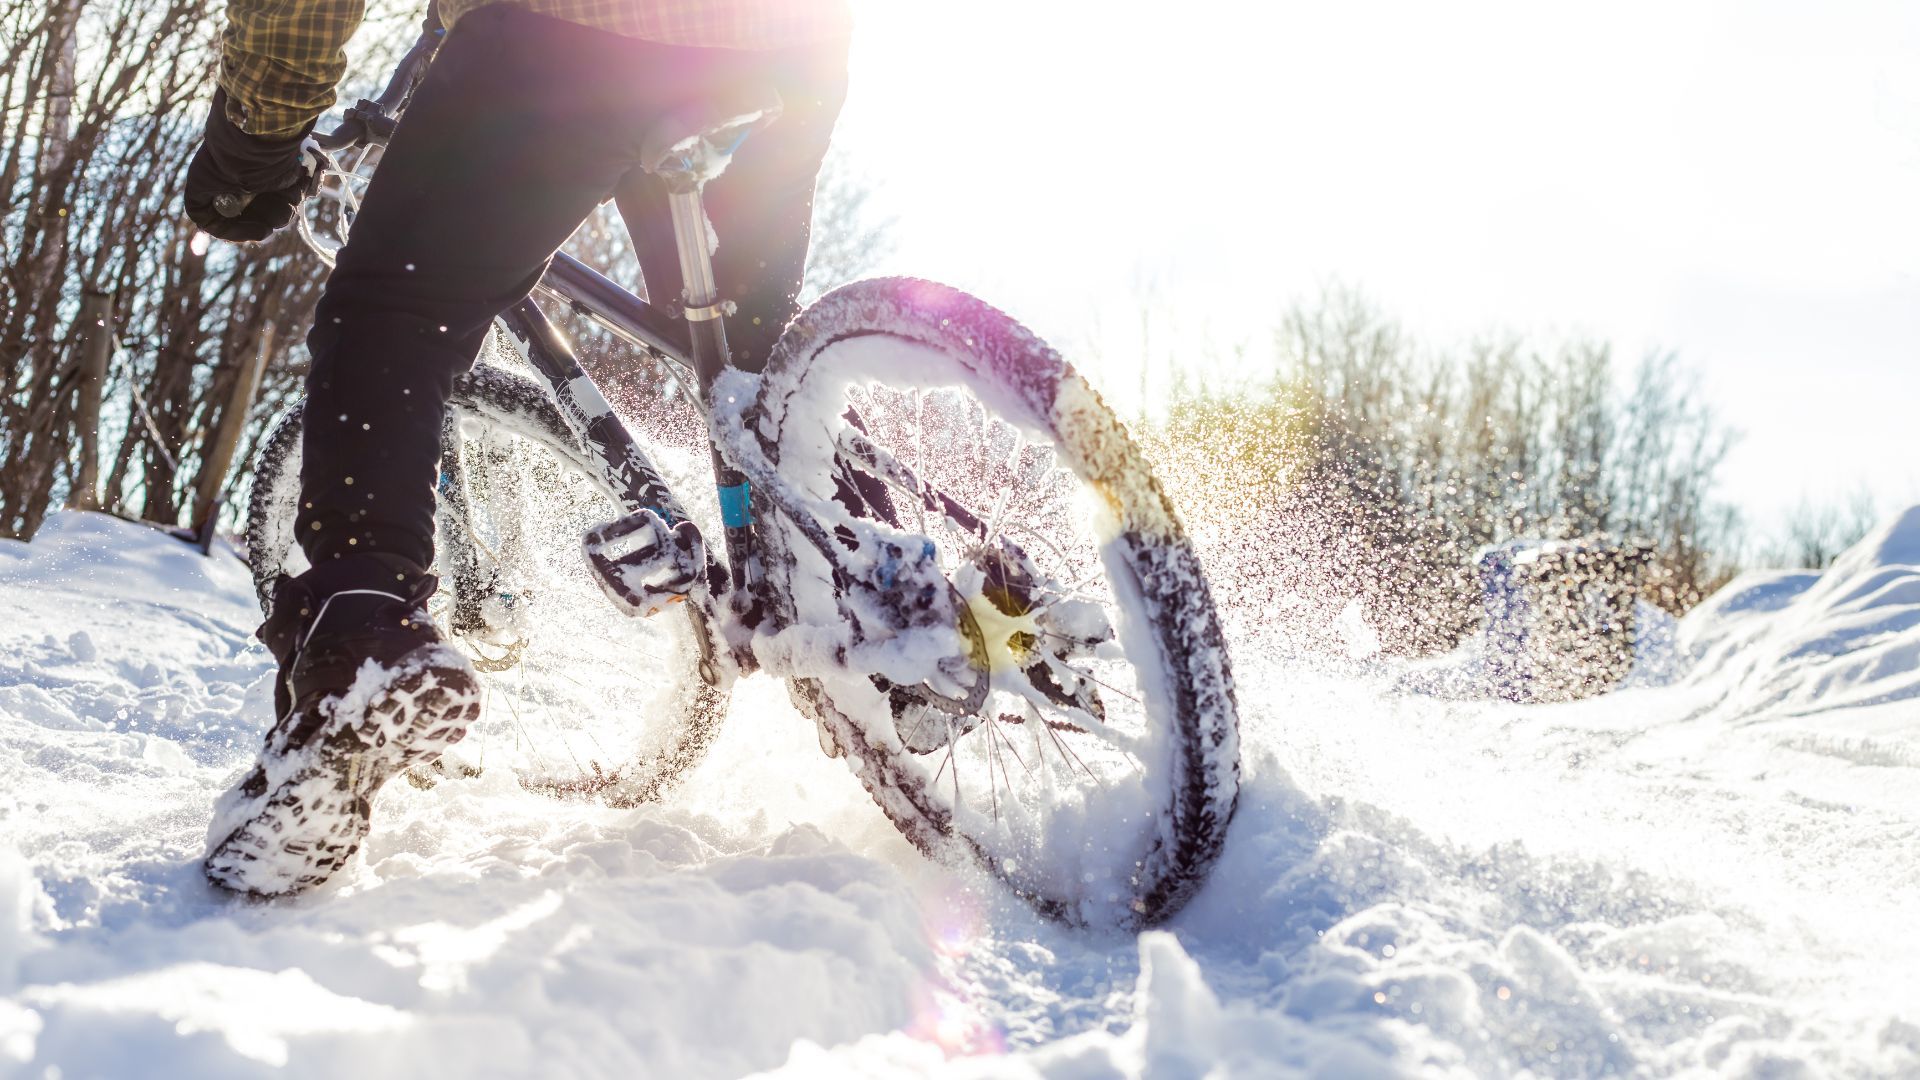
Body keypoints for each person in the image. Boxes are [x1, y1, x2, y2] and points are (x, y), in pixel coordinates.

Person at [184, 0, 852, 897]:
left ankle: (363, 646)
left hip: (574, 31)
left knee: (397, 310)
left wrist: (253, 143)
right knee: (751, 370)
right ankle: (880, 607)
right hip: (790, 41)